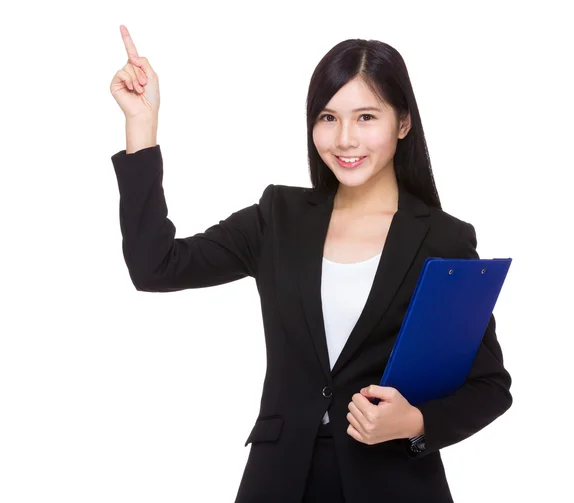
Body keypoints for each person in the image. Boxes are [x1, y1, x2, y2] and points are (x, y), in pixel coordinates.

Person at [109, 25, 512, 503]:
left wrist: (416, 422)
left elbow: (489, 386)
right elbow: (156, 266)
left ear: (402, 123)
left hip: (392, 482)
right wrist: (142, 125)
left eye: (366, 117)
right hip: (280, 479)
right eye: (327, 117)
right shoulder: (278, 218)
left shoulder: (443, 238)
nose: (344, 139)